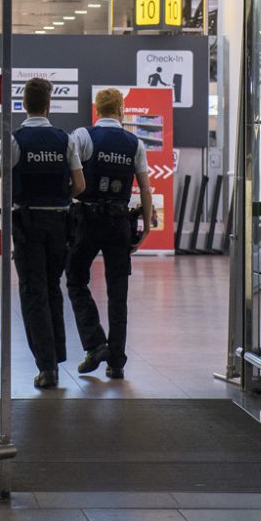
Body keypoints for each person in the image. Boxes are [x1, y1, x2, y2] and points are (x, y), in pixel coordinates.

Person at [0, 78, 85, 389]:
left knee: (32, 292)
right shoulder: (65, 140)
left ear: (24, 105)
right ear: (48, 106)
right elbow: (80, 186)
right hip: (59, 224)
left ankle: (47, 366)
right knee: (51, 288)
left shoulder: (14, 140)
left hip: (28, 223)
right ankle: (57, 356)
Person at [66, 87, 152, 380]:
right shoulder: (134, 142)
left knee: (76, 279)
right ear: (121, 110)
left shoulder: (82, 136)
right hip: (119, 221)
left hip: (87, 219)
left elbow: (73, 174)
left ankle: (95, 343)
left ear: (97, 109)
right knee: (118, 291)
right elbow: (144, 186)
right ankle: (116, 362)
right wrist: (148, 225)